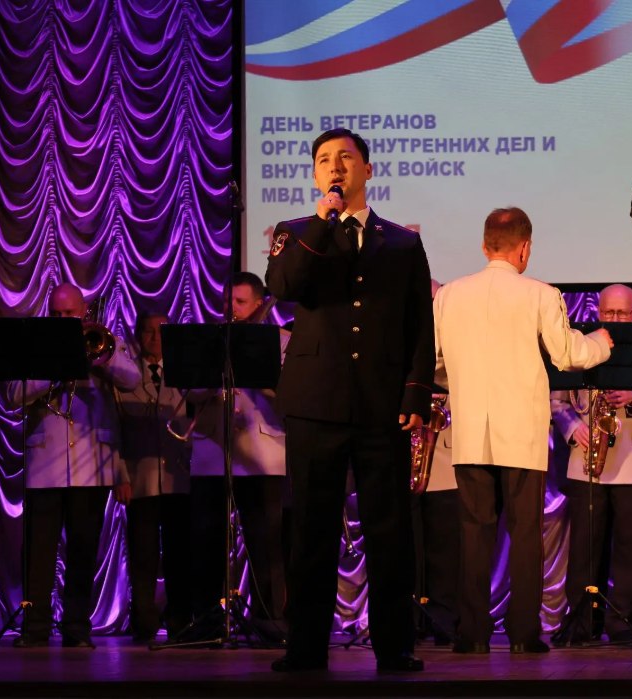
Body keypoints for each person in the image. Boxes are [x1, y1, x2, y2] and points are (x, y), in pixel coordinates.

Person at [265, 128, 434, 673]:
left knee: (390, 530)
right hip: (315, 402)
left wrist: (415, 392)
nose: (334, 167)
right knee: (311, 529)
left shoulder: (401, 242)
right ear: (316, 174)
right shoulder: (295, 233)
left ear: (367, 169)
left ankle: (395, 645)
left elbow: (419, 324)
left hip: (381, 404)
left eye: (345, 158)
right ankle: (305, 647)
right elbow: (285, 287)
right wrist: (323, 222)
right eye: (323, 160)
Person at [434, 207, 612, 655]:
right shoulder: (539, 294)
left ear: (484, 245)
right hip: (521, 434)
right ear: (525, 248)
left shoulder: (449, 295)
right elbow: (568, 354)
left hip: (470, 432)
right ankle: (523, 634)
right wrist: (601, 344)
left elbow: (434, 362)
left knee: (474, 531)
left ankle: (471, 634)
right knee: (526, 532)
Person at [6, 283, 141, 648]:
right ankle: (35, 628)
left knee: (83, 550)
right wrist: (53, 370)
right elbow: (13, 395)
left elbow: (133, 380)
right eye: (56, 313)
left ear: (84, 312)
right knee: (39, 553)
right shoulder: (35, 347)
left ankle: (77, 629)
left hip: (91, 465)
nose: (63, 319)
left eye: (69, 313)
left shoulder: (105, 341)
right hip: (44, 466)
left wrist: (103, 359)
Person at [550, 284, 632, 645]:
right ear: (598, 312)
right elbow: (556, 401)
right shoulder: (579, 345)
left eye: (623, 313)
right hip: (585, 456)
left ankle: (624, 621)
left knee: (631, 547)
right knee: (584, 548)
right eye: (609, 312)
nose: (615, 318)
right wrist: (573, 427)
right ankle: (582, 622)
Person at [187, 272, 288, 644]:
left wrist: (262, 373)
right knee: (206, 539)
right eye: (228, 301)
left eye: (241, 302)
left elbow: (293, 395)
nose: (232, 309)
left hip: (263, 454)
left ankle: (269, 621)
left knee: (266, 542)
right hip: (214, 451)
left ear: (259, 304)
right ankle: (208, 620)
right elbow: (191, 391)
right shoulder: (210, 339)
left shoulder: (282, 340)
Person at [116, 311, 192, 643]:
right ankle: (144, 622)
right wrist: (120, 475)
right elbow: (115, 429)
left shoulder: (185, 371)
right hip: (141, 479)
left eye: (161, 332)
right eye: (148, 332)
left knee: (179, 554)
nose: (154, 339)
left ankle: (180, 621)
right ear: (138, 335)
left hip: (179, 479)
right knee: (143, 554)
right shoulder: (125, 374)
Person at [412, 279, 459, 645]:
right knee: (405, 545)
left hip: (447, 453)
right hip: (404, 450)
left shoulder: (460, 337)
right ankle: (408, 620)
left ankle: (444, 621)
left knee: (445, 548)